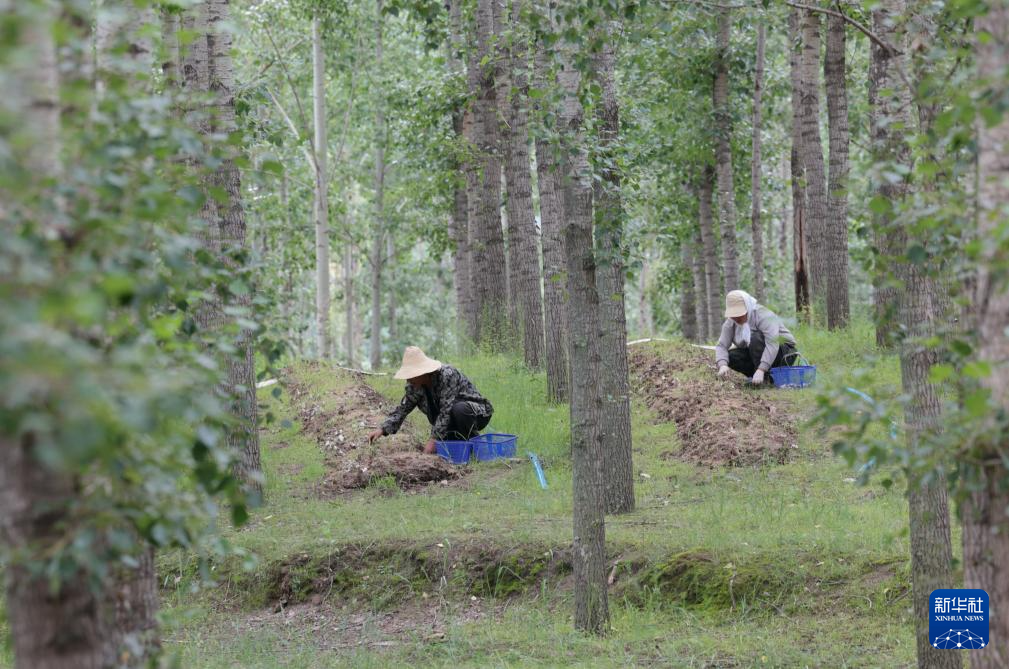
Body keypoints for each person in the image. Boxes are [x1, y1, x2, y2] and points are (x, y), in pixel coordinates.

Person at [368, 346, 493, 454]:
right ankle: (456, 444)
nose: (409, 379)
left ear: (423, 372)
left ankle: (478, 447)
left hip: (476, 414)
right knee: (440, 421)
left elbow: (446, 410)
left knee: (459, 409)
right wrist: (382, 429)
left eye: (412, 375)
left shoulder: (447, 375)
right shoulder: (413, 386)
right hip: (451, 421)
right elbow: (403, 409)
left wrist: (434, 439)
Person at [714, 290, 798, 385]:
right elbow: (721, 346)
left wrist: (762, 369)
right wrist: (722, 365)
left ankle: (764, 377)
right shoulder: (730, 324)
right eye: (734, 315)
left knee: (755, 338)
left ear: (747, 306)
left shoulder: (763, 315)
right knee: (731, 356)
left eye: (740, 313)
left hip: (784, 352)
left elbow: (772, 344)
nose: (737, 318)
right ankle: (757, 377)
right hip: (759, 353)